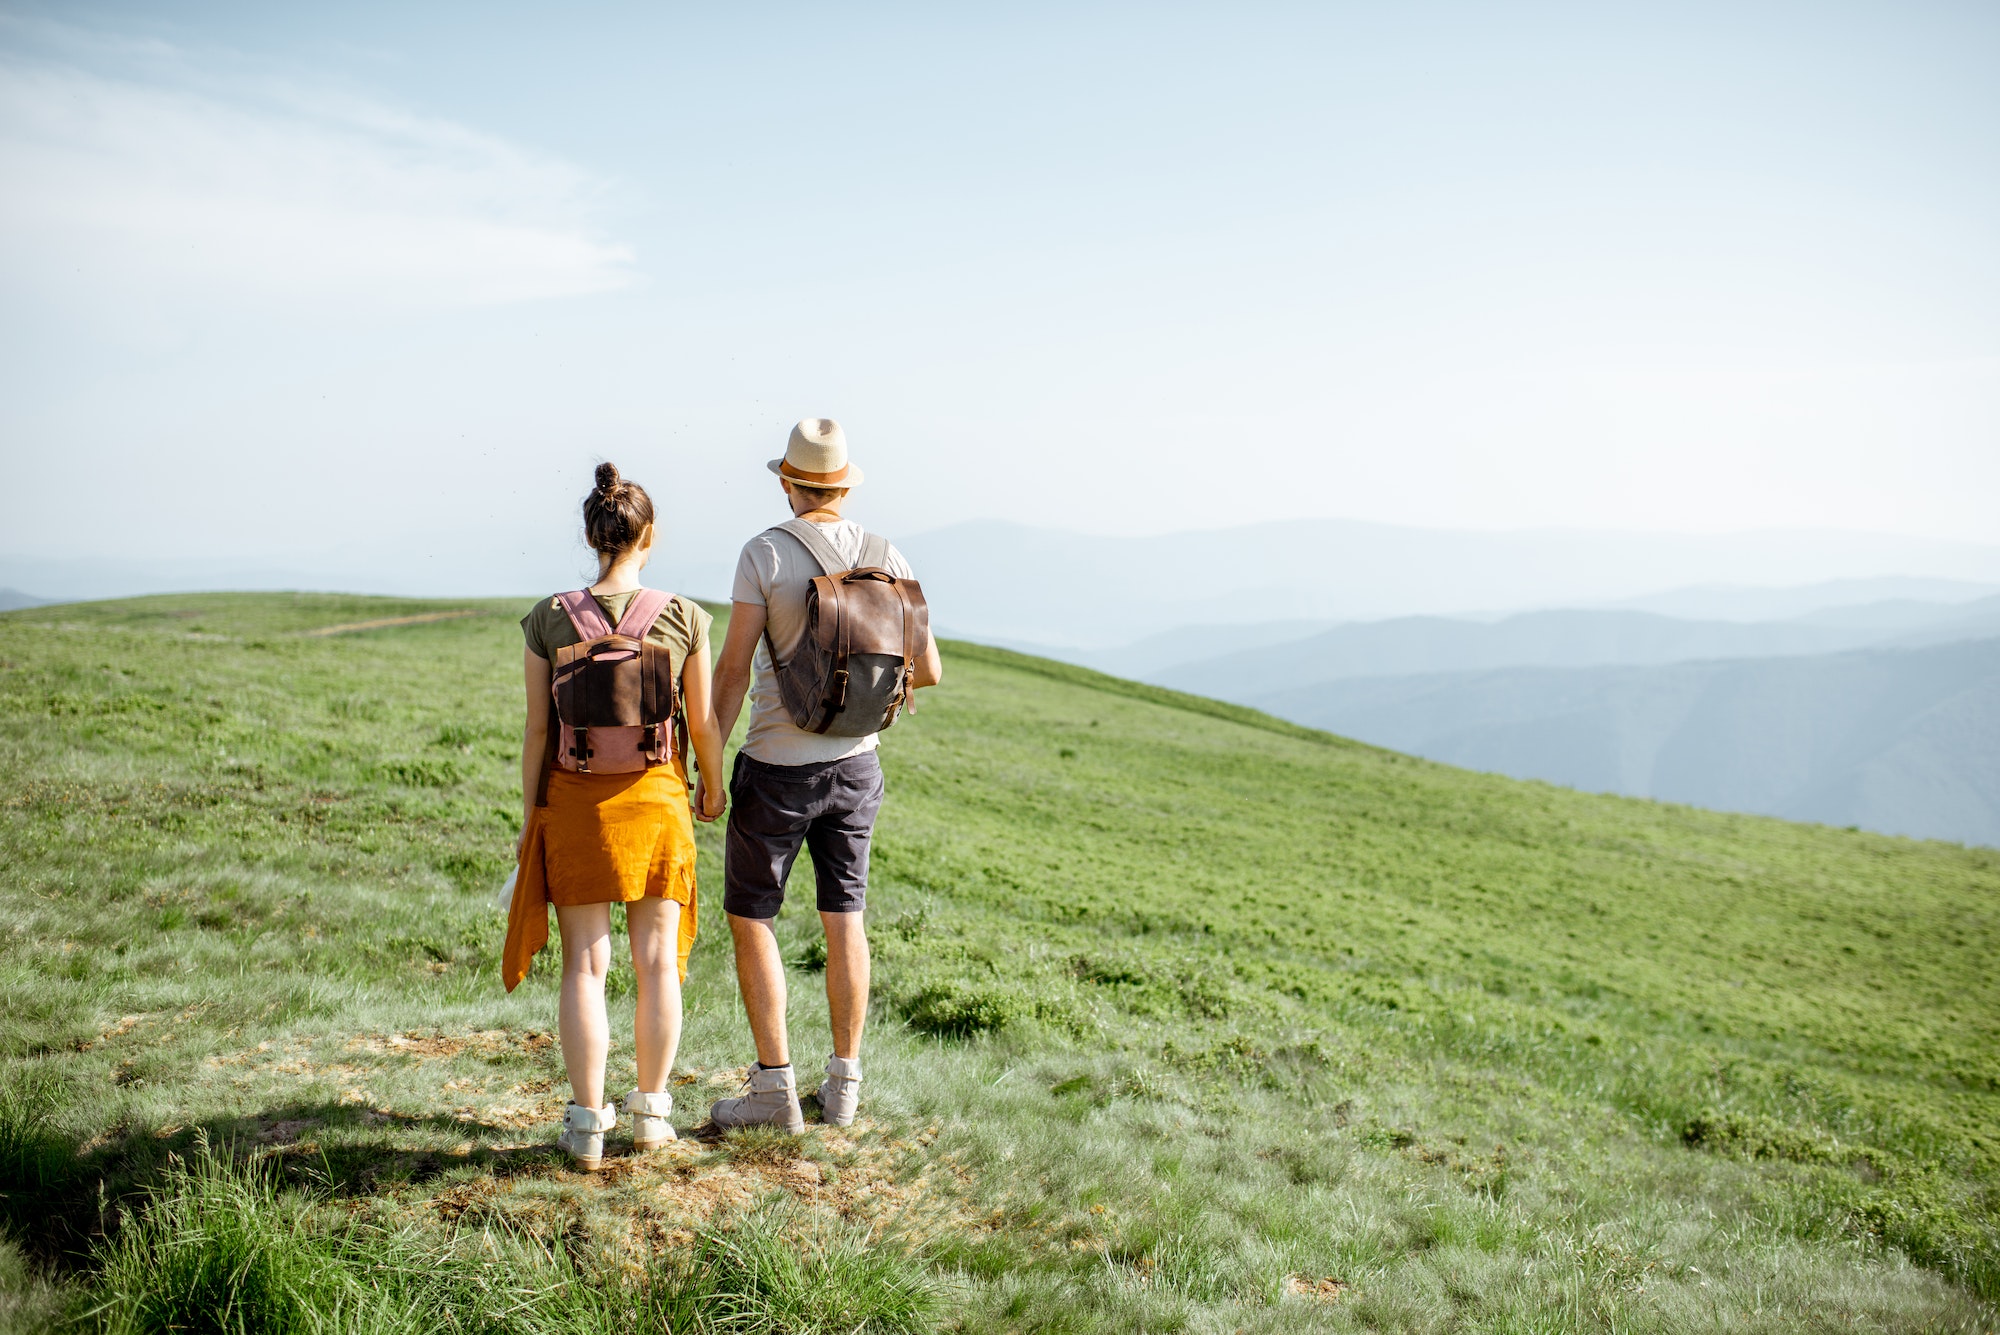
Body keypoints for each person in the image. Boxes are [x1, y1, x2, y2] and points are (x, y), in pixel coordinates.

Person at [702, 419, 942, 1132]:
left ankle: (774, 1091)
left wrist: (710, 763)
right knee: (846, 918)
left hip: (776, 766)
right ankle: (843, 1089)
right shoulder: (885, 552)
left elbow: (735, 667)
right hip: (857, 763)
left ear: (787, 480)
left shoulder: (765, 554)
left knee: (753, 918)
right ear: (842, 484)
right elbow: (926, 669)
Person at [502, 462, 728, 1170]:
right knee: (658, 962)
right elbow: (706, 721)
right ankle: (653, 1115)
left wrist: (530, 811)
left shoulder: (547, 617)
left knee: (585, 964)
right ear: (648, 536)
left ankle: (583, 1126)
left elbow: (538, 731)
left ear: (591, 535)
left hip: (573, 800)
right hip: (658, 797)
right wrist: (712, 786)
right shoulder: (686, 617)